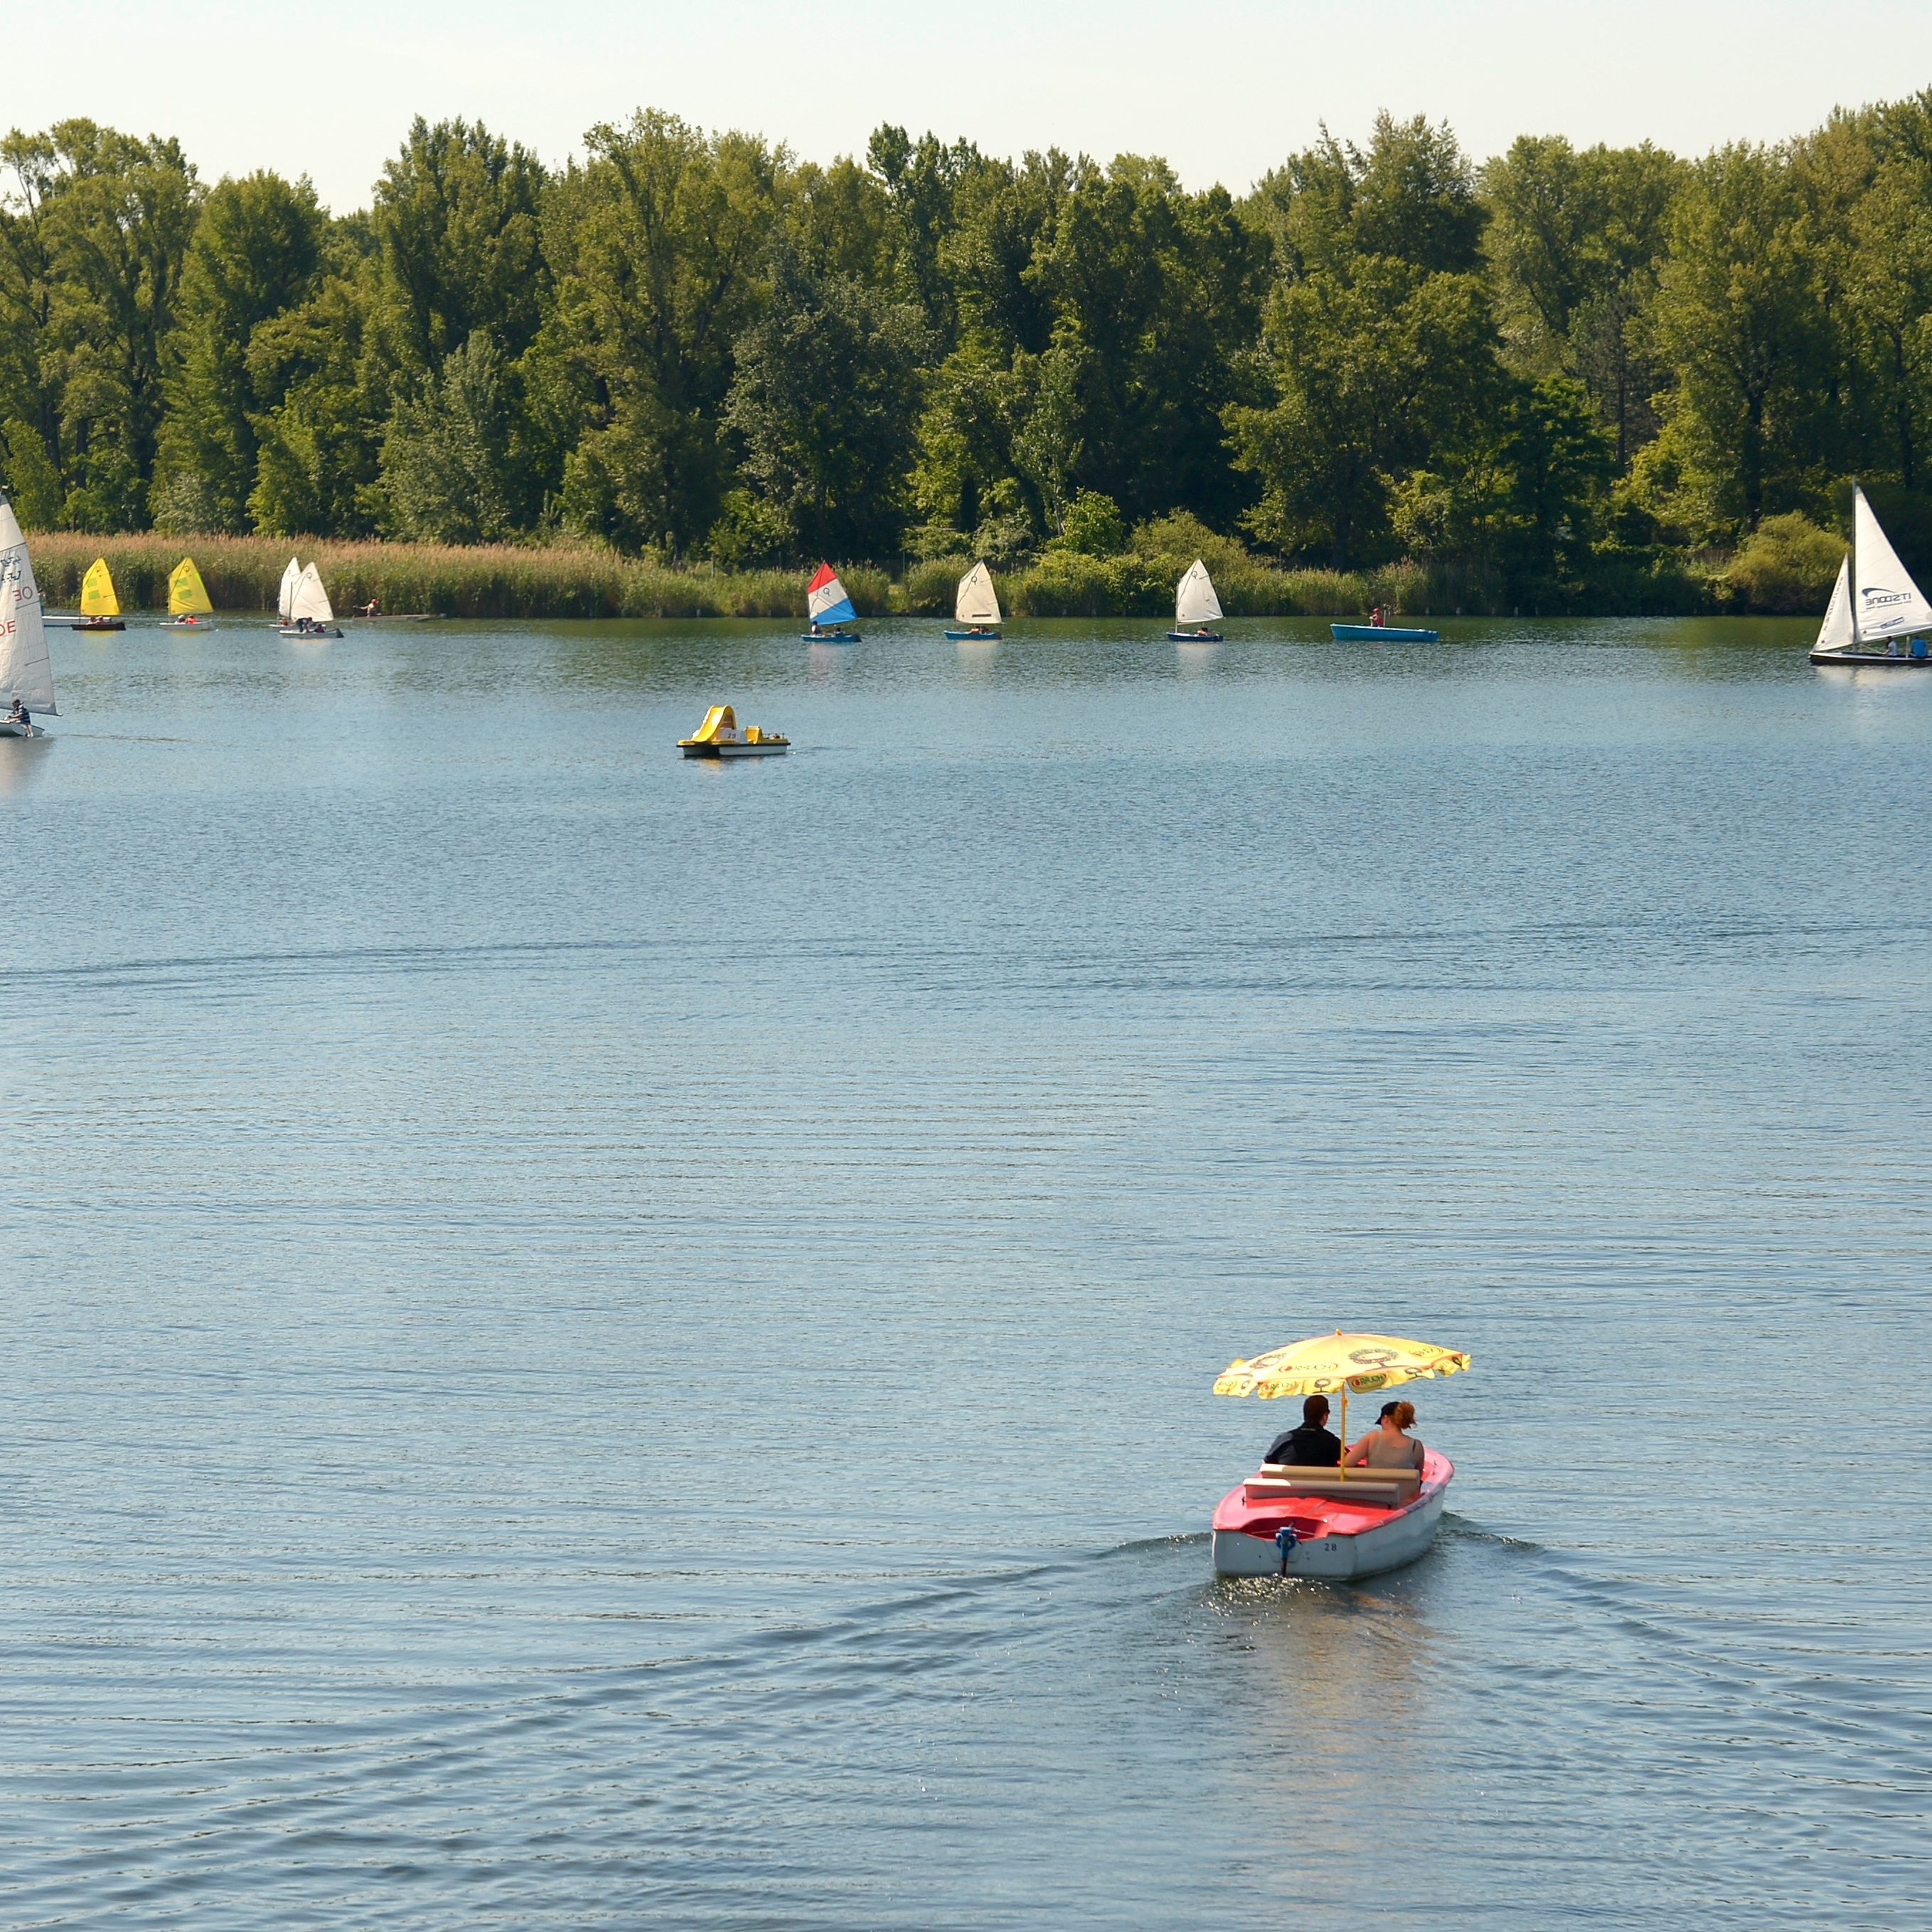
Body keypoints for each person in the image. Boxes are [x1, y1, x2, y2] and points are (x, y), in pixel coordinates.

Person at [1264, 1394, 1343, 1468]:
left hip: (1288, 1482)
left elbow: (1266, 1465)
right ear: (1325, 1416)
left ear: (1305, 1414)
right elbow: (1348, 1463)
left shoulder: (1283, 1439)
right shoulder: (1332, 1442)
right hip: (1321, 1482)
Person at [1347, 1399, 1424, 1472]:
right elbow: (1418, 1477)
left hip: (1374, 1485)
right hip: (1404, 1486)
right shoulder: (1416, 1446)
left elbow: (1347, 1464)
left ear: (1386, 1418)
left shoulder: (1372, 1438)